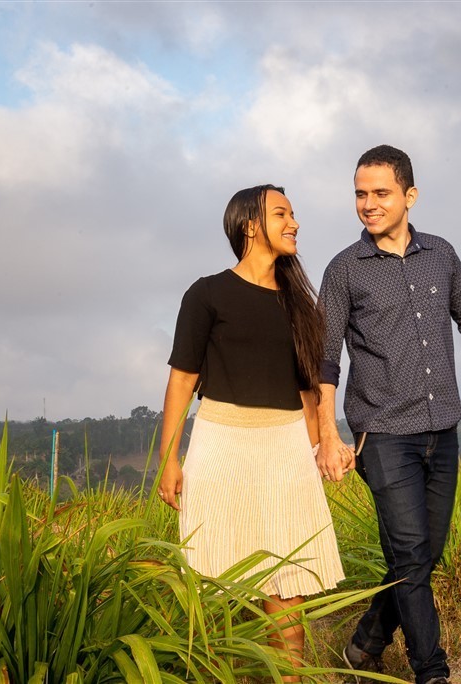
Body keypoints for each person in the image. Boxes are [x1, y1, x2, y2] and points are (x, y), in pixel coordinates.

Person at [315, 145, 461, 684]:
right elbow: (323, 361)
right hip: (383, 434)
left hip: (442, 429)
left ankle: (365, 643)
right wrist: (327, 435)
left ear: (410, 195)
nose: (368, 204)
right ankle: (432, 671)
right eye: (360, 194)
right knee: (411, 556)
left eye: (381, 193)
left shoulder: (441, 255)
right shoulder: (344, 270)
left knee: (425, 552)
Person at [158, 184, 349, 683]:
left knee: (289, 584)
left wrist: (320, 446)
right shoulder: (206, 294)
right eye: (282, 214)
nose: (294, 223)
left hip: (286, 447)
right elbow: (182, 380)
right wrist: (168, 459)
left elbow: (308, 389)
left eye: (293, 214)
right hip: (219, 442)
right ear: (249, 224)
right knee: (213, 579)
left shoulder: (300, 304)